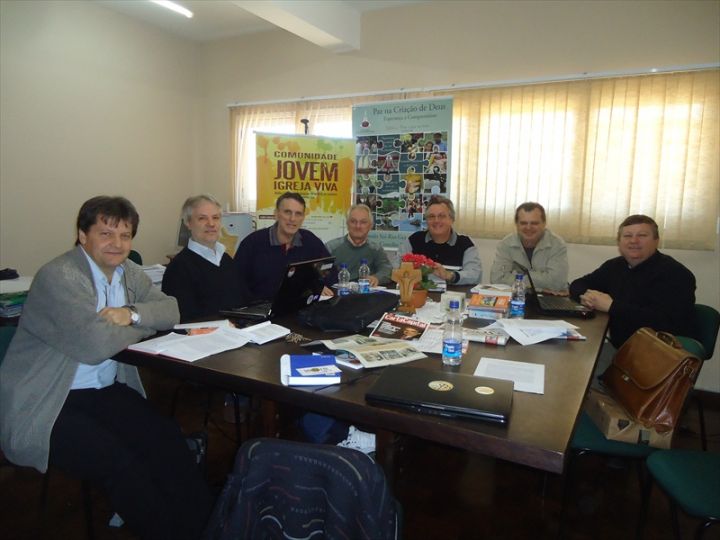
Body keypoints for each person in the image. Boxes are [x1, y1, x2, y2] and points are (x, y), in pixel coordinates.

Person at [0, 196, 212, 540]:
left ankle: (209, 528)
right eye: (106, 234)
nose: (117, 245)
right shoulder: (60, 276)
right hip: (49, 402)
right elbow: (95, 346)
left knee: (167, 440)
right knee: (121, 462)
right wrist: (145, 323)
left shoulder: (127, 271)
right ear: (83, 235)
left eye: (125, 236)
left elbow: (172, 310)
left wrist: (131, 314)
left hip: (102, 391)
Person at [570, 214, 696, 381]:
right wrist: (587, 296)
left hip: (657, 356)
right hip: (620, 348)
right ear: (619, 242)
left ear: (656, 241)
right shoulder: (615, 266)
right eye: (627, 236)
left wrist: (611, 306)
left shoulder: (676, 274)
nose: (633, 241)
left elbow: (665, 322)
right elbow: (578, 284)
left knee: (579, 377)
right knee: (569, 360)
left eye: (642, 235)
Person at [234, 192, 333, 302]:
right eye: (287, 212)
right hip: (260, 311)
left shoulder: (310, 241)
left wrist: (316, 285)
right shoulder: (252, 243)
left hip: (299, 309)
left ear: (303, 217)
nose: (292, 219)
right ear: (276, 214)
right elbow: (236, 283)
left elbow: (331, 272)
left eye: (298, 214)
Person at [162, 195, 243, 322]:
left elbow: (242, 302)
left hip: (238, 332)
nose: (211, 224)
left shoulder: (225, 259)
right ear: (188, 223)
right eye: (202, 218)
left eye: (215, 218)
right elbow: (184, 321)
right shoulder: (178, 269)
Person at [396, 195, 482, 285]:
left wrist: (450, 275)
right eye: (431, 216)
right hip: (418, 295)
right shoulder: (413, 240)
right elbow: (397, 268)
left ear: (451, 219)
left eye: (442, 216)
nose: (436, 220)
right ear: (426, 221)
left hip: (453, 297)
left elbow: (475, 275)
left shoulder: (466, 243)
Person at [490, 202, 569, 292]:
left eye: (534, 223)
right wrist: (541, 287)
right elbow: (496, 279)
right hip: (518, 295)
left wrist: (516, 277)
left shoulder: (557, 244)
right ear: (516, 224)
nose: (528, 227)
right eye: (523, 223)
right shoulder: (506, 244)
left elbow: (556, 283)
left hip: (552, 298)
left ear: (544, 223)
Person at [326, 204, 392, 286]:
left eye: (363, 222)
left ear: (370, 226)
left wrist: (376, 278)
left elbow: (387, 269)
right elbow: (319, 274)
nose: (358, 226)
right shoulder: (331, 248)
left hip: (366, 295)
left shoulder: (376, 249)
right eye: (353, 221)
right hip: (339, 295)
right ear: (347, 224)